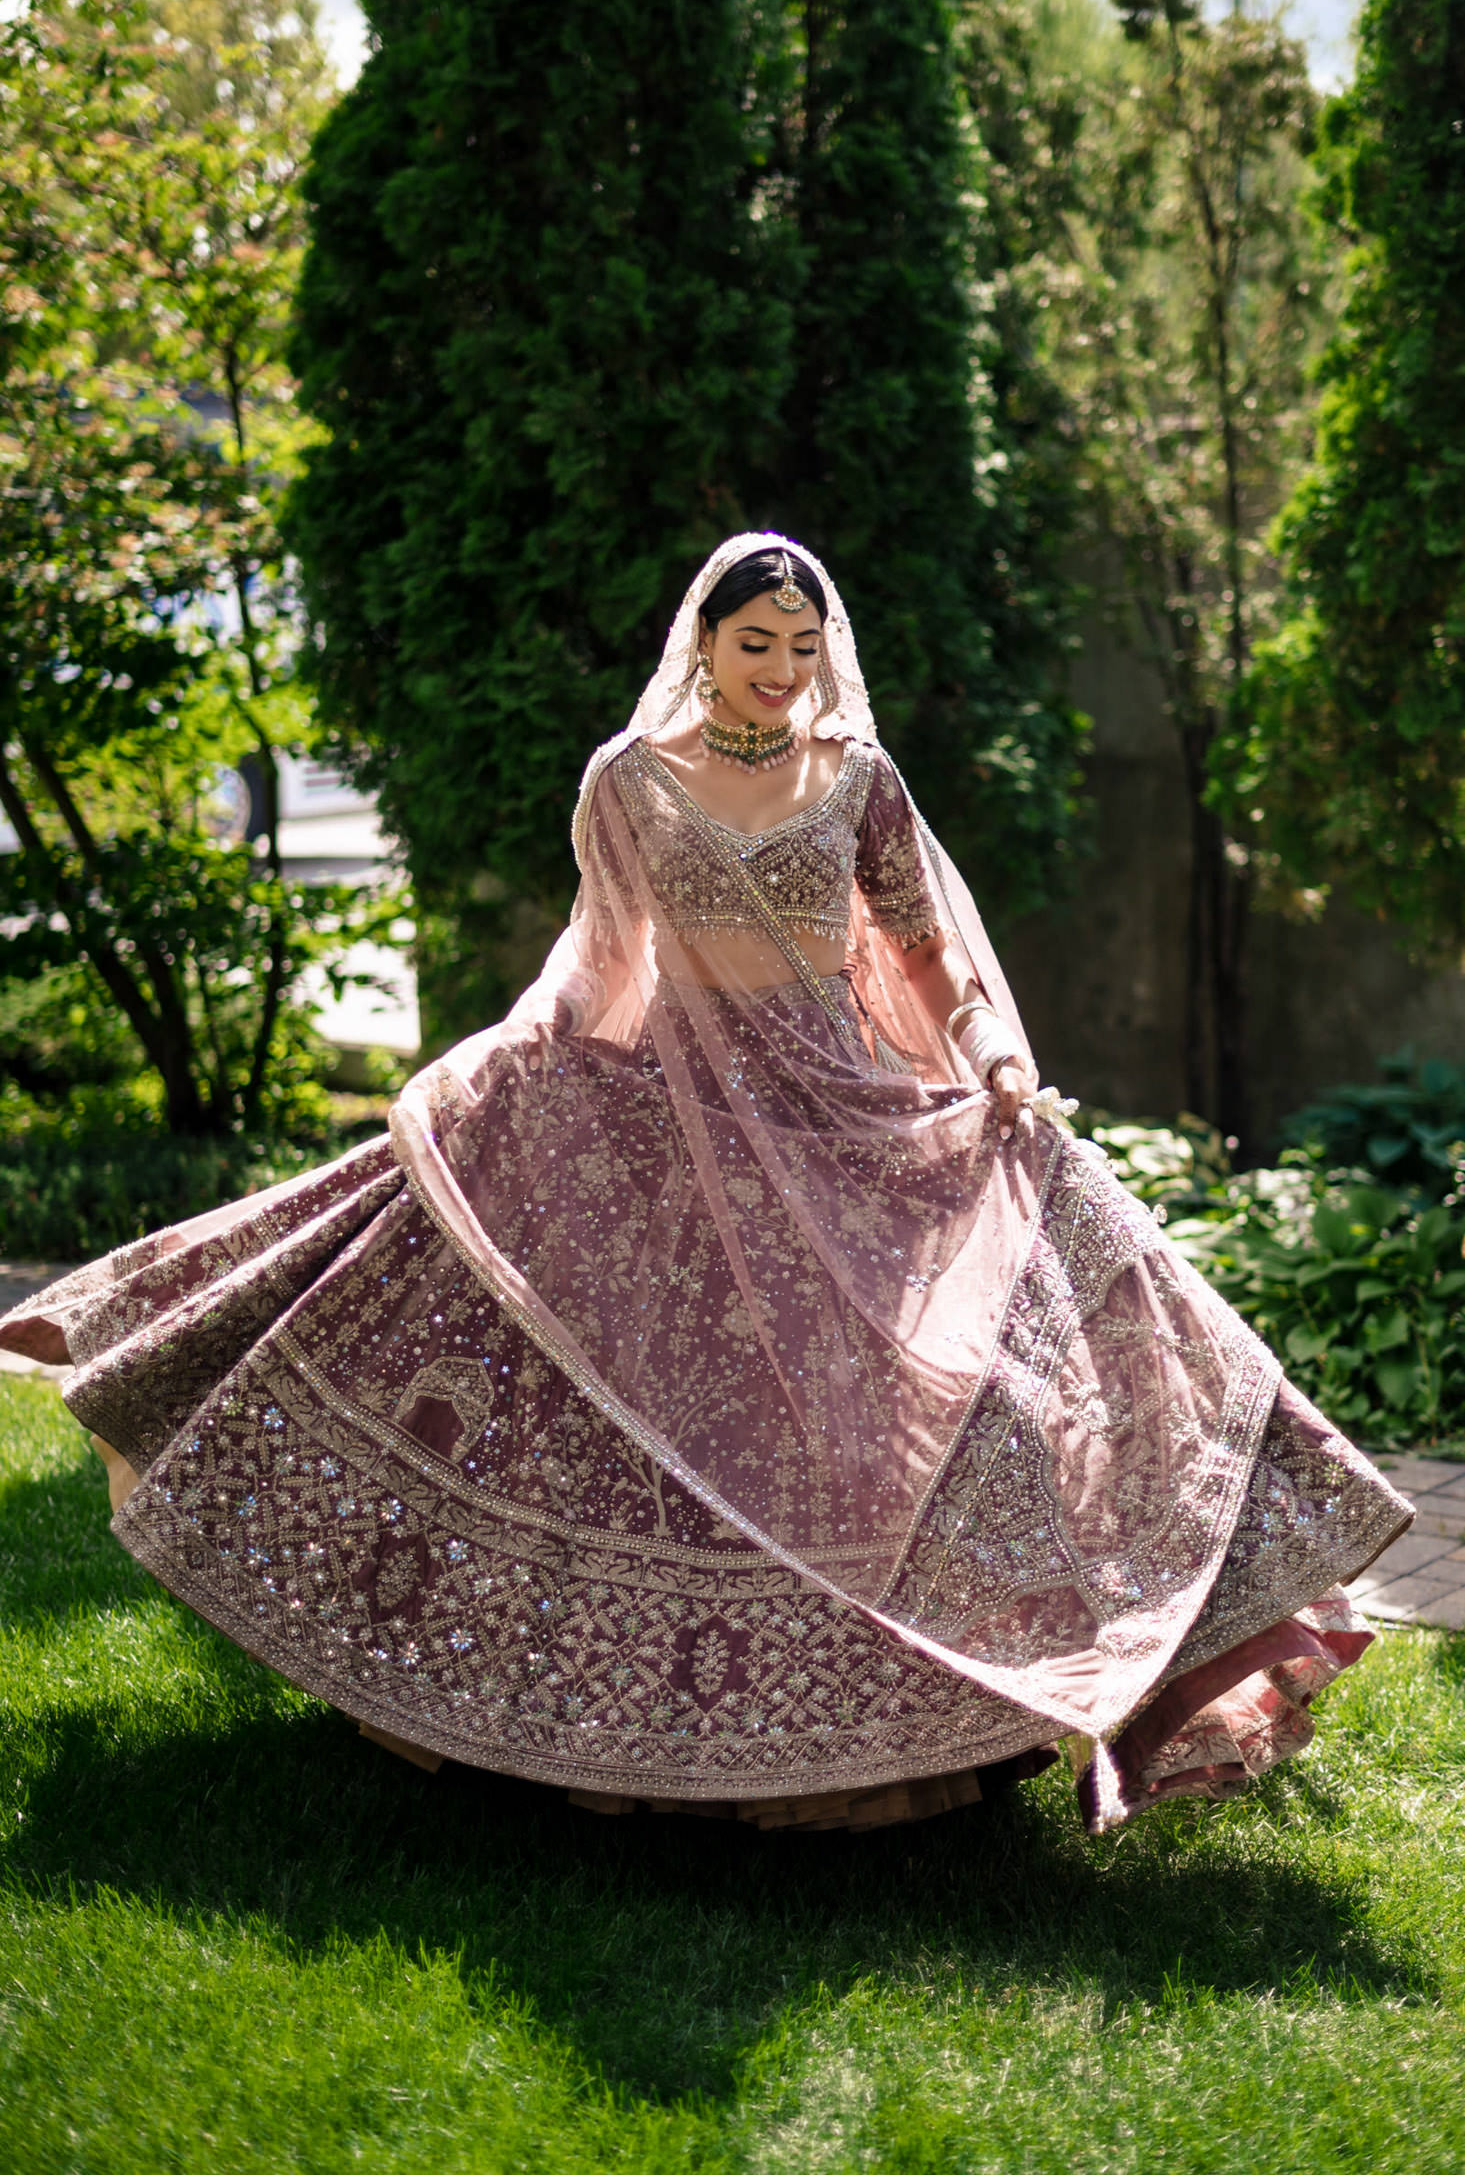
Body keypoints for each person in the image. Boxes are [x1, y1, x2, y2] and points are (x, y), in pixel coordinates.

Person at [0, 534, 1411, 1833]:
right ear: (704, 643)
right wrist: (509, 1088)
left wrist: (992, 1066)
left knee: (999, 1340)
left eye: (802, 649)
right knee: (610, 1390)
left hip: (841, 1109)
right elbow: (599, 968)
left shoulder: (859, 778)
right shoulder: (629, 781)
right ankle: (598, 1721)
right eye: (757, 647)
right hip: (671, 1109)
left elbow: (929, 957)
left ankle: (980, 1708)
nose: (784, 674)